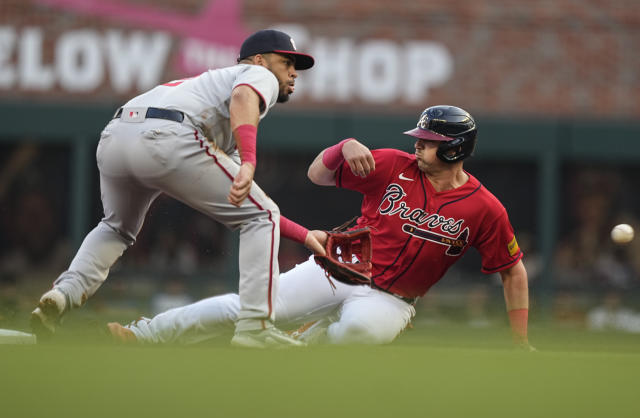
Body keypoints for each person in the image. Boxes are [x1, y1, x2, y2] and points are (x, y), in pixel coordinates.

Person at [108, 105, 534, 349]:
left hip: (392, 300)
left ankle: (299, 345)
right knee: (248, 306)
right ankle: (143, 335)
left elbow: (512, 269)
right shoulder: (392, 164)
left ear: (455, 148)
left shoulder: (483, 208)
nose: (418, 144)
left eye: (429, 141)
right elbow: (318, 175)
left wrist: (519, 340)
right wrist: (340, 147)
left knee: (357, 335)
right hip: (337, 268)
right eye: (420, 138)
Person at [30, 29, 324, 348]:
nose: (293, 72)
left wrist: (305, 236)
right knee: (261, 215)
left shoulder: (208, 95)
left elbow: (253, 205)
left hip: (116, 135)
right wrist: (251, 160)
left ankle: (62, 294)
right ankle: (255, 328)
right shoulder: (256, 74)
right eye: (286, 62)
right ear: (260, 59)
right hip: (168, 133)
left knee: (116, 229)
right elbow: (243, 98)